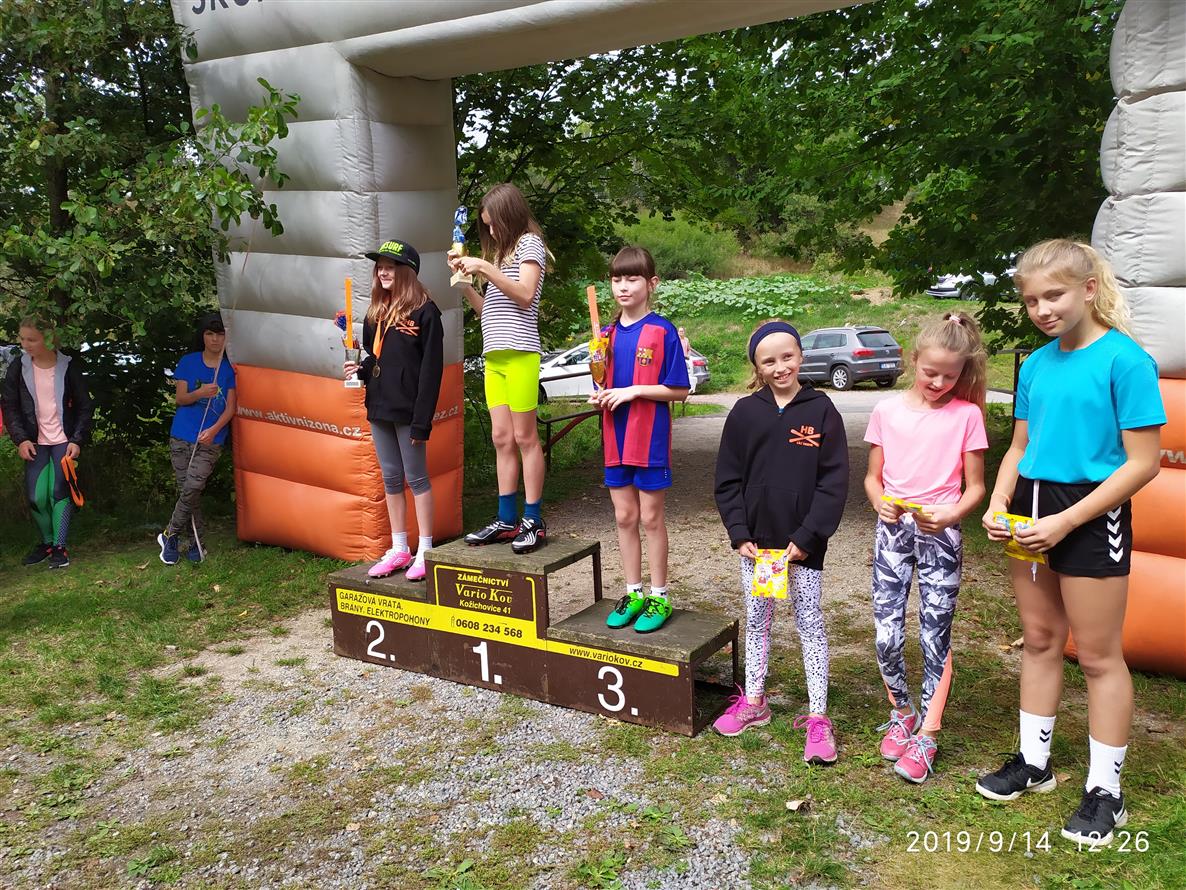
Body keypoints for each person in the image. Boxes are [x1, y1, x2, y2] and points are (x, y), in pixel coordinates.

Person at [975, 240, 1165, 847]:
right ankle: (1035, 764)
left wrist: (1067, 521)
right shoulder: (1034, 364)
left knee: (1099, 655)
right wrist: (999, 503)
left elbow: (1144, 463)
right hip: (1029, 507)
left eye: (1053, 295)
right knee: (1039, 639)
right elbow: (1019, 447)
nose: (1042, 309)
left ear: (1088, 288)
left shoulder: (1126, 360)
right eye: (1031, 300)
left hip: (1090, 511)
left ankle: (1107, 791)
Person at [712, 320, 848, 764]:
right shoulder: (744, 413)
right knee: (757, 619)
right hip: (757, 549)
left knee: (810, 622)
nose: (780, 367)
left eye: (787, 356)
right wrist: (739, 533)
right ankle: (755, 701)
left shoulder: (822, 411)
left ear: (801, 356)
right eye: (768, 360)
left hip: (802, 548)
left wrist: (808, 536)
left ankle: (818, 716)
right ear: (757, 366)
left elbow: (833, 484)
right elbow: (727, 481)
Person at [862, 311, 988, 783]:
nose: (938, 383)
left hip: (941, 536)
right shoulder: (886, 411)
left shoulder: (967, 415)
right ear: (913, 360)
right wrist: (880, 503)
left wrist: (951, 515)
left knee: (935, 636)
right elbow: (873, 478)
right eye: (931, 372)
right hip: (893, 534)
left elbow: (975, 488)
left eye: (950, 377)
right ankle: (902, 711)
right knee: (885, 633)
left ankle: (929, 733)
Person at [450, 183, 550, 554]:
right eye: (486, 225)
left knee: (525, 437)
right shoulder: (503, 254)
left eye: (494, 224)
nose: (491, 231)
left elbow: (524, 294)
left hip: (521, 354)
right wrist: (465, 284)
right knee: (502, 438)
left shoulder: (529, 244)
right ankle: (507, 519)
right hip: (494, 358)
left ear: (509, 216)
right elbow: (487, 311)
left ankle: (533, 520)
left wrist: (485, 267)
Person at [596, 247, 690, 633]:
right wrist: (601, 395)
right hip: (614, 438)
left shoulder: (662, 331)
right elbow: (602, 383)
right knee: (624, 517)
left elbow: (679, 390)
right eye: (616, 279)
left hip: (649, 439)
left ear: (651, 283)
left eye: (632, 278)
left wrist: (634, 391)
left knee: (651, 518)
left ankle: (659, 596)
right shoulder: (604, 335)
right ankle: (633, 593)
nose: (623, 286)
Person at [345, 239, 444, 581]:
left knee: (416, 478)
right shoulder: (376, 311)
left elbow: (431, 373)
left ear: (407, 272)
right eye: (380, 267)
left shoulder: (426, 312)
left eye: (390, 267)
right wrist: (360, 370)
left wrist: (422, 422)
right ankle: (399, 548)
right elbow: (376, 358)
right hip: (379, 406)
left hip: (409, 411)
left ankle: (426, 550)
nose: (383, 272)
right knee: (390, 478)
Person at [2, 318, 93, 569]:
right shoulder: (18, 368)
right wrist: (21, 439)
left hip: (64, 440)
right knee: (36, 497)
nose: (25, 344)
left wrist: (77, 440)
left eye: (31, 339)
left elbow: (85, 406)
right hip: (35, 442)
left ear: (49, 339)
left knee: (58, 492)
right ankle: (47, 543)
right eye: (22, 338)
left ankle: (60, 548)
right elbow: (10, 406)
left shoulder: (69, 366)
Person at [158, 313, 236, 565]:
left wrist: (213, 431)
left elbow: (230, 409)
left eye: (220, 334)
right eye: (210, 334)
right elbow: (180, 399)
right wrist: (200, 392)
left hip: (211, 440)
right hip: (182, 435)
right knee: (188, 492)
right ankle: (195, 543)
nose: (215, 339)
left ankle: (169, 533)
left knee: (194, 487)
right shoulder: (188, 362)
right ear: (202, 336)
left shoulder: (228, 369)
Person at [678, 327, 697, 395]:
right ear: (678, 332)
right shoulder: (677, 340)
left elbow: (689, 349)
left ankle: (687, 389)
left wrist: (688, 355)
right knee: (679, 373)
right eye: (680, 331)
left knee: (687, 373)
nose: (681, 332)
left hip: (686, 359)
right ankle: (679, 389)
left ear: (684, 332)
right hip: (679, 359)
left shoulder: (686, 339)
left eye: (682, 331)